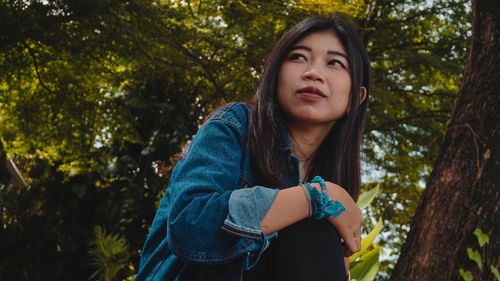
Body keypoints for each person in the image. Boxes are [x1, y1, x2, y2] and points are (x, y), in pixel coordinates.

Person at [134, 14, 370, 281]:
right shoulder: (235, 124)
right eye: (298, 57)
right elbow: (190, 224)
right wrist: (316, 197)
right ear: (275, 74)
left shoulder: (334, 176)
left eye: (334, 63)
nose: (313, 72)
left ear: (355, 98)